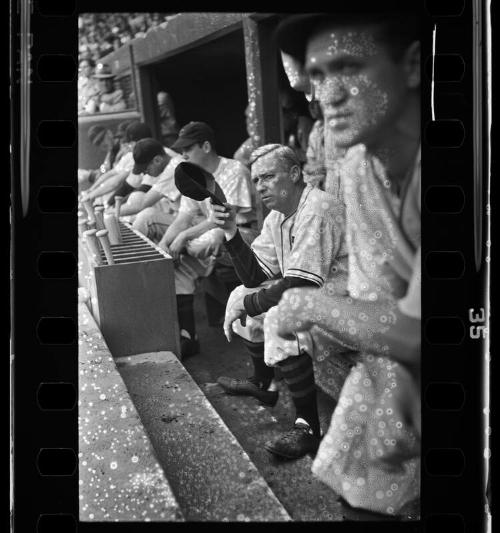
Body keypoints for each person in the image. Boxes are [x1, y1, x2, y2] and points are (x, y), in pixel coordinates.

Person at [273, 7, 421, 516]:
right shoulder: (358, 164)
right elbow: (384, 308)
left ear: (414, 65)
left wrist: (308, 303)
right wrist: (392, 385)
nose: (327, 93)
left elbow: (428, 328)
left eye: (349, 67)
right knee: (357, 487)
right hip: (400, 363)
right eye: (316, 74)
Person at [213, 144, 353, 460]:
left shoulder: (317, 209)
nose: (260, 186)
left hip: (350, 307)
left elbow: (300, 282)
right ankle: (263, 383)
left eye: (268, 177)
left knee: (278, 316)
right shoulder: (278, 217)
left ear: (293, 173)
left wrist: (249, 306)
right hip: (319, 300)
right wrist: (231, 231)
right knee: (243, 294)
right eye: (257, 179)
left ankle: (308, 429)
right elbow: (254, 276)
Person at [157, 121, 256, 357]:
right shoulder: (195, 175)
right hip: (214, 233)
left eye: (188, 149)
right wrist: (165, 244)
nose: (183, 154)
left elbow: (224, 219)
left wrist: (184, 237)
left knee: (205, 242)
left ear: (206, 146)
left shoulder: (234, 170)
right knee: (173, 255)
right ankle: (189, 335)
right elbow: (183, 217)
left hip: (244, 232)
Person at [116, 138, 184, 243]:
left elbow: (142, 204)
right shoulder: (168, 163)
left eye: (146, 170)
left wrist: (111, 213)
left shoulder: (175, 167)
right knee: (138, 203)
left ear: (158, 160)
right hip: (182, 217)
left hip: (192, 222)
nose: (145, 174)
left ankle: (132, 253)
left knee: (147, 217)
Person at [81, 122, 153, 205]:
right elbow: (106, 170)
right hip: (126, 187)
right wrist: (92, 187)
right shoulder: (111, 152)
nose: (102, 144)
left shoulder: (127, 148)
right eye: (98, 143)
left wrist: (93, 192)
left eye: (102, 139)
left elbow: (116, 180)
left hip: (133, 188)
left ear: (109, 133)